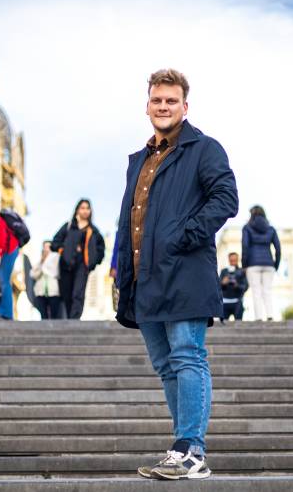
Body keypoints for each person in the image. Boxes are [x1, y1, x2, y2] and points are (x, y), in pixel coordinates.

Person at [115, 69, 238, 480]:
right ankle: (180, 449)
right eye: (156, 100)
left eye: (171, 100)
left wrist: (183, 235)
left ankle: (192, 450)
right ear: (147, 105)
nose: (163, 106)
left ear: (185, 106)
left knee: (188, 356)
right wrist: (121, 271)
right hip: (145, 279)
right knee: (167, 366)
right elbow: (128, 220)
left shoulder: (204, 149)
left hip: (185, 272)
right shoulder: (140, 160)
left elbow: (226, 199)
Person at [51, 199, 105, 319]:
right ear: (77, 210)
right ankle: (70, 318)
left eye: (87, 208)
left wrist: (94, 261)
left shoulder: (93, 230)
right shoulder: (68, 226)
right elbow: (55, 242)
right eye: (82, 208)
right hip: (66, 265)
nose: (85, 210)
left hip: (83, 265)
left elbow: (101, 248)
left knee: (78, 293)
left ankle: (75, 319)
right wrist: (63, 251)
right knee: (67, 294)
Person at [241, 205, 281, 321]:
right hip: (269, 264)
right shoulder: (271, 229)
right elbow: (278, 248)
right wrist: (275, 265)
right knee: (267, 290)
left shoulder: (247, 228)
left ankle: (258, 317)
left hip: (252, 264)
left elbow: (245, 247)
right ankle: (270, 315)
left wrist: (244, 265)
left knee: (256, 291)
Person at [29, 241, 61, 319]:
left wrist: (44, 265)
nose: (46, 249)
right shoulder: (39, 260)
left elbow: (56, 272)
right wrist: (42, 262)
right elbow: (33, 274)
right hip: (40, 292)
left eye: (48, 247)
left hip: (53, 291)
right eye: (44, 247)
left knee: (55, 315)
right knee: (43, 315)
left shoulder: (56, 257)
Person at [220, 252, 248, 322]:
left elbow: (245, 287)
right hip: (225, 302)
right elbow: (218, 287)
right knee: (222, 325)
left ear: (237, 260)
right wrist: (223, 283)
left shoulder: (242, 271)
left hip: (237, 302)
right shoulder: (224, 271)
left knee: (238, 324)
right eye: (231, 260)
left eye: (234, 260)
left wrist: (237, 285)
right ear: (228, 260)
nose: (233, 262)